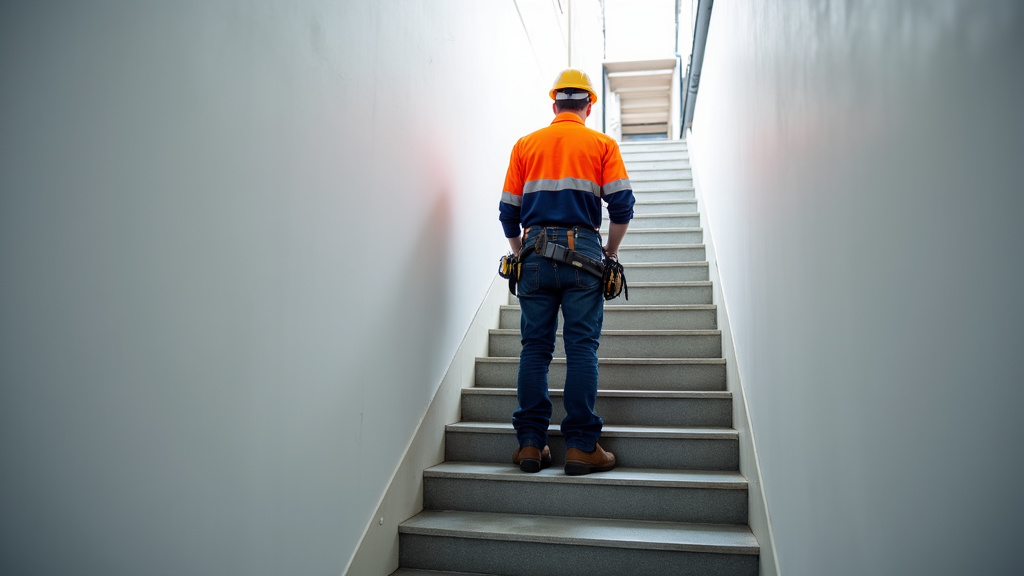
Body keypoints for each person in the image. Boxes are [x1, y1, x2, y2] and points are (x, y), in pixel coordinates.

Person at [498, 69, 635, 476]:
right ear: (589, 105)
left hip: (535, 252)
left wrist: (523, 252)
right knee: (580, 349)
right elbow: (623, 206)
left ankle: (530, 443)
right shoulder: (602, 144)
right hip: (586, 254)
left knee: (535, 349)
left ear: (554, 103)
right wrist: (609, 251)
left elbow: (508, 213)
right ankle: (580, 446)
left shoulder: (526, 145)